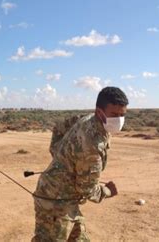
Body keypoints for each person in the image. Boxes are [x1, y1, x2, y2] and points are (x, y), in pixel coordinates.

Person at [32, 86, 128, 242]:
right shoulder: (92, 146)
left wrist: (60, 157)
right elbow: (86, 189)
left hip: (67, 200)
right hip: (55, 204)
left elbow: (59, 127)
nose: (119, 120)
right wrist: (107, 191)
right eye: (114, 114)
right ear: (99, 112)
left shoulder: (89, 119)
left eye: (122, 115)